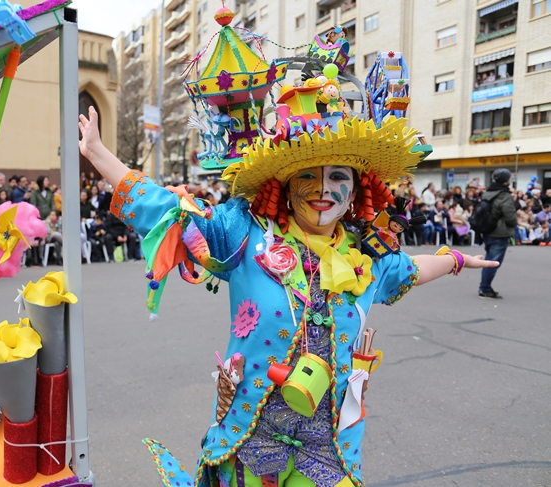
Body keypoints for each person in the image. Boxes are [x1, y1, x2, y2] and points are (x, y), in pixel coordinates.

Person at [79, 105, 497, 487]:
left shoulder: (366, 260)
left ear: (355, 192)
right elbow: (169, 209)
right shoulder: (244, 236)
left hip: (330, 445)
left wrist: (456, 258)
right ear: (284, 186)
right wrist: (98, 153)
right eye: (308, 175)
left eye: (338, 177)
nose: (323, 189)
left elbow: (413, 269)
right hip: (250, 436)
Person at [478, 168, 516, 299]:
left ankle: (485, 286)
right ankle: (485, 288)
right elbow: (510, 216)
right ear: (506, 180)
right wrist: (514, 224)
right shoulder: (504, 195)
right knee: (493, 262)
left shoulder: (488, 192)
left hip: (487, 230)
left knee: (489, 259)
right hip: (499, 232)